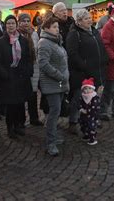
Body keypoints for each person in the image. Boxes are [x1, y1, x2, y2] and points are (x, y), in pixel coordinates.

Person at [66, 9, 107, 133]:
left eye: (89, 18)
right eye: (86, 18)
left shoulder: (94, 32)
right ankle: (73, 121)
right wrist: (84, 65)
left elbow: (101, 47)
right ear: (79, 22)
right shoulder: (74, 34)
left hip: (96, 71)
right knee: (79, 97)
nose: (89, 20)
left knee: (93, 97)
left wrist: (105, 59)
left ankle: (92, 118)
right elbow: (72, 53)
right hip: (81, 73)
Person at [0, 15, 33, 138]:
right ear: (5, 26)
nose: (11, 25)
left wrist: (27, 72)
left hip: (21, 77)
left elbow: (27, 58)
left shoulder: (23, 40)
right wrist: (5, 74)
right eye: (8, 23)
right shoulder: (0, 42)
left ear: (16, 25)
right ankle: (10, 128)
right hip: (8, 78)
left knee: (19, 104)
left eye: (12, 23)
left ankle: (18, 126)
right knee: (10, 105)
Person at [38, 16, 69, 157]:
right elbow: (44, 64)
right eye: (54, 27)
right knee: (53, 112)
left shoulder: (57, 41)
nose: (57, 29)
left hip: (61, 82)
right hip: (52, 84)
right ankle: (50, 143)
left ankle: (54, 137)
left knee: (56, 111)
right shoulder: (44, 43)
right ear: (46, 28)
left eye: (57, 26)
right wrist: (59, 75)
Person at [18, 13, 43, 126]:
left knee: (33, 93)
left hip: (34, 66)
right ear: (19, 22)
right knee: (22, 94)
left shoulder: (34, 34)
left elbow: (37, 50)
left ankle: (34, 117)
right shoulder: (17, 34)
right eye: (24, 21)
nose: (26, 23)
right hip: (22, 68)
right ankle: (21, 119)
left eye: (28, 21)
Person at [78, 78, 100, 146]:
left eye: (89, 88)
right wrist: (81, 109)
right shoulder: (82, 96)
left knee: (91, 126)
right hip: (83, 115)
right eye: (85, 88)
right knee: (83, 125)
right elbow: (79, 103)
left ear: (93, 89)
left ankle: (92, 138)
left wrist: (87, 111)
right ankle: (86, 134)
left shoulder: (94, 97)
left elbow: (94, 106)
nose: (87, 90)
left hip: (92, 115)